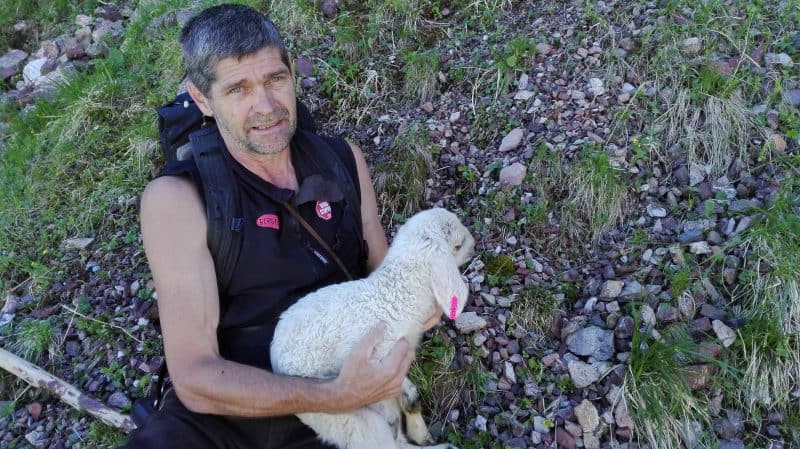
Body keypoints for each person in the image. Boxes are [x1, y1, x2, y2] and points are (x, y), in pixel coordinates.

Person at [122, 4, 441, 448]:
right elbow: (195, 376)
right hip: (226, 412)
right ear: (201, 99)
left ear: (293, 71)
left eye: (275, 79)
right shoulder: (178, 200)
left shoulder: (343, 160)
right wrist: (334, 395)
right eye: (238, 89)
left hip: (340, 384)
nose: (266, 106)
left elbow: (388, 276)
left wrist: (423, 300)